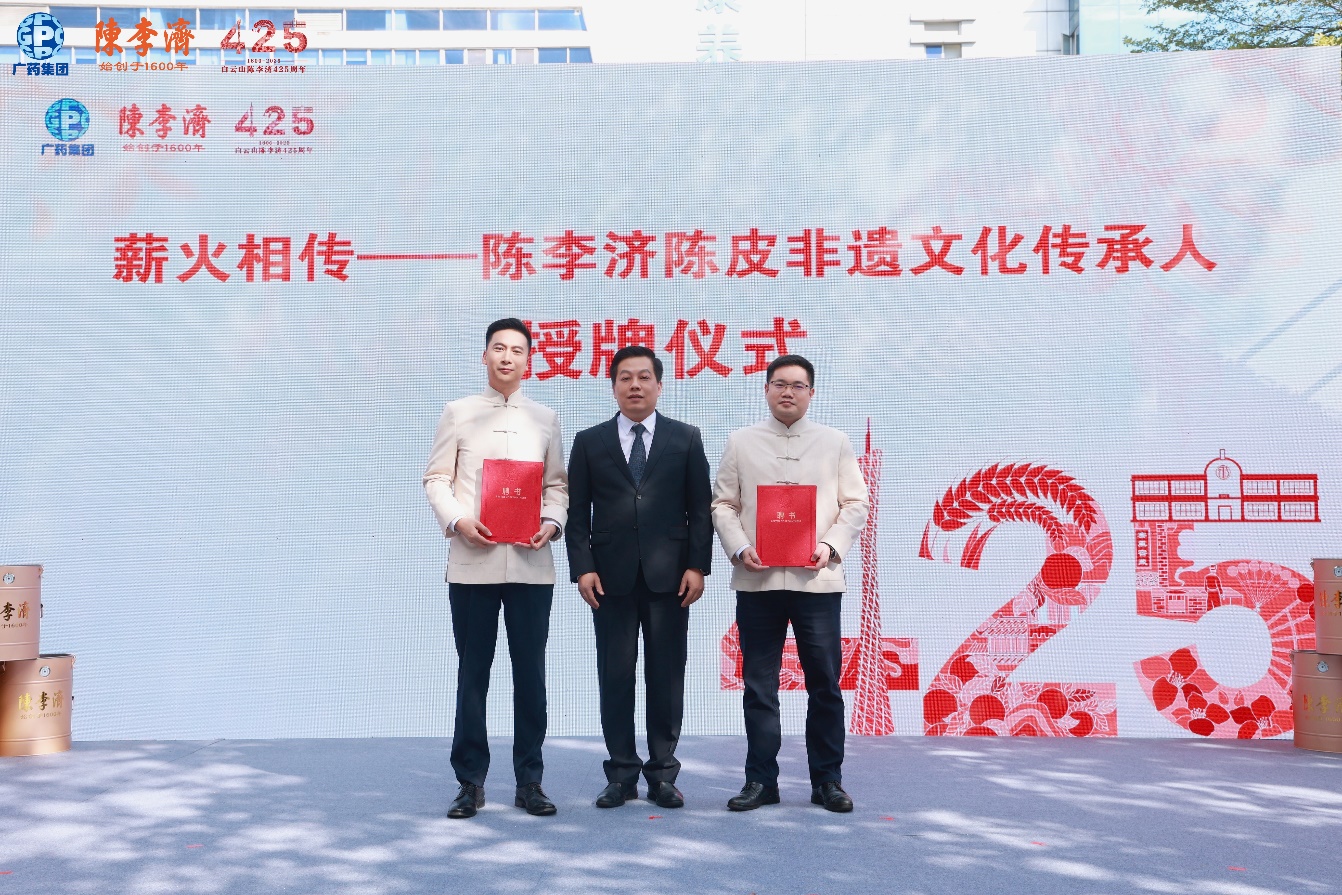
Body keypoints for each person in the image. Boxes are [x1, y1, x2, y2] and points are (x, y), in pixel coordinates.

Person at [423, 317, 568, 819]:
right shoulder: (458, 412)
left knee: (531, 676)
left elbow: (557, 485)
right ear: (484, 356)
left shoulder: (545, 418)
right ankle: (470, 782)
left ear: (529, 361)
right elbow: (436, 478)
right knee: (473, 675)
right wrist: (457, 519)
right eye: (499, 348)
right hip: (473, 565)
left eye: (517, 350)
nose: (507, 357)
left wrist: (552, 522)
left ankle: (530, 781)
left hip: (530, 564)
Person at [711, 354, 869, 813]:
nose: (788, 392)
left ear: (811, 394)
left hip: (816, 581)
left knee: (825, 684)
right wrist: (740, 546)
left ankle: (828, 781)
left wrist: (831, 545)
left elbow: (856, 503)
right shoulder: (741, 441)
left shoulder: (835, 442)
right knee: (759, 686)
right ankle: (761, 781)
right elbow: (722, 504)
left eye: (798, 385)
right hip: (757, 581)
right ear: (765, 390)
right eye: (779, 383)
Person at [567, 345, 713, 809]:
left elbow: (701, 509)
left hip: (671, 578)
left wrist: (697, 566)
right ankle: (621, 773)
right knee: (615, 675)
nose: (635, 385)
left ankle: (663, 774)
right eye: (625, 377)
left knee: (666, 676)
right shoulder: (589, 441)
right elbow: (576, 514)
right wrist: (583, 567)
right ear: (613, 386)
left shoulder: (685, 438)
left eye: (644, 377)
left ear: (659, 385)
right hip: (609, 580)